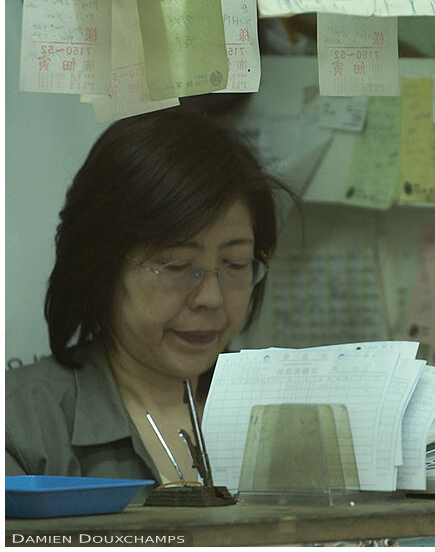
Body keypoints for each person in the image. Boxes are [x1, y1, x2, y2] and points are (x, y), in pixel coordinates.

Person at [6, 108, 292, 484]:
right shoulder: (22, 425)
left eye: (235, 264)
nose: (211, 298)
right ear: (102, 267)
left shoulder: (288, 412)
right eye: (176, 266)